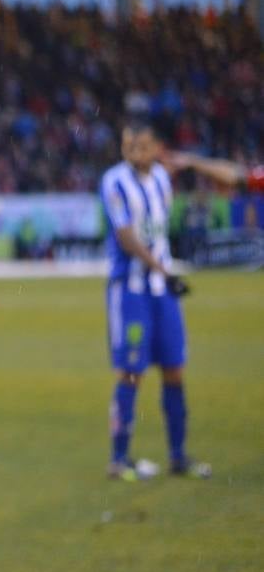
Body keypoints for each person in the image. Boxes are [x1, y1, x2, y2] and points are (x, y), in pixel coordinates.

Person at [99, 123, 210, 482]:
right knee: (131, 373)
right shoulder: (114, 182)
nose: (134, 151)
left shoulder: (162, 179)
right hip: (130, 291)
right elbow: (126, 236)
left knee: (175, 369)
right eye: (128, 144)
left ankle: (178, 456)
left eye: (142, 145)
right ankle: (119, 460)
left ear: (156, 147)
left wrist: (164, 272)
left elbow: (158, 228)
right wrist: (163, 268)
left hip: (162, 290)